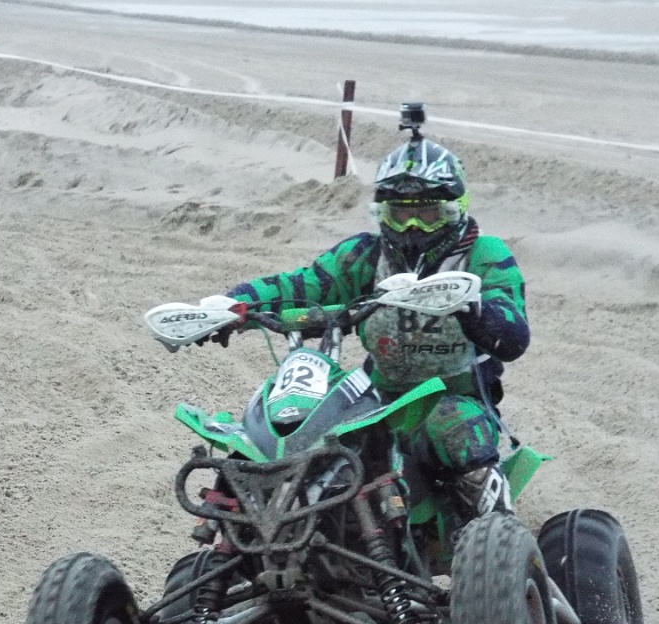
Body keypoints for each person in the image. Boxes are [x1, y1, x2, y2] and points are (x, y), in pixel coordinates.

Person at [217, 115, 530, 535]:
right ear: (381, 213)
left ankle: (497, 534)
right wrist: (233, 304)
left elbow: (513, 333)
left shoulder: (482, 255)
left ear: (456, 210)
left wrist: (471, 307)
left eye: (429, 215)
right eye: (401, 216)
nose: (414, 228)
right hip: (374, 401)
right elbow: (304, 285)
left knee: (452, 423)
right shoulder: (365, 255)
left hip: (454, 398)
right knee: (302, 433)